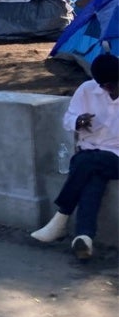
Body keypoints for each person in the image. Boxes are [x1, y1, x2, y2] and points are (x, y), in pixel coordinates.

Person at [30, 53, 119, 260]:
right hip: (89, 151)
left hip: (116, 156)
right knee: (92, 177)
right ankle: (84, 237)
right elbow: (68, 119)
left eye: (114, 85)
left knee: (84, 162)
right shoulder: (87, 90)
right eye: (105, 86)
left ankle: (61, 217)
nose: (110, 89)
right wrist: (78, 121)